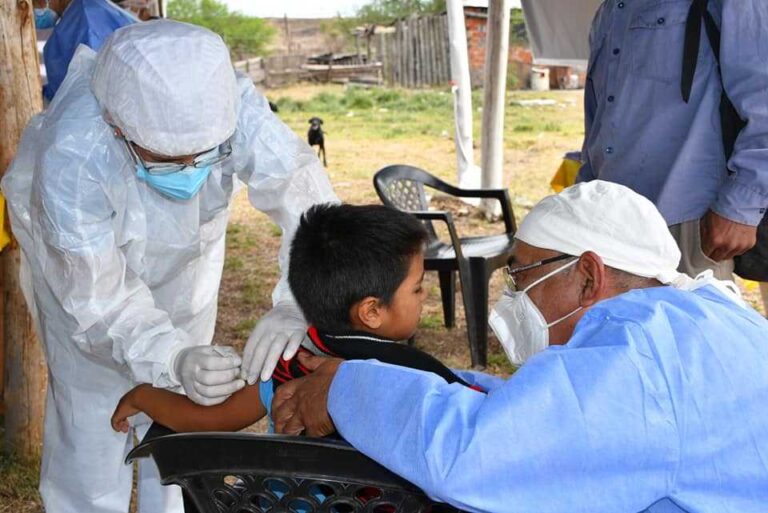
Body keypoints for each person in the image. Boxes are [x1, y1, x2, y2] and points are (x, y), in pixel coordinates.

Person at [0, 20, 337, 513]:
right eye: (169, 160)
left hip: (187, 272)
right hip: (82, 286)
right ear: (117, 127)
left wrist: (298, 301)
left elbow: (307, 198)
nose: (191, 170)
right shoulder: (72, 156)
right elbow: (98, 301)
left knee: (185, 420)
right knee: (93, 422)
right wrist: (169, 355)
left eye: (205, 154)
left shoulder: (227, 104)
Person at [271, 181, 768, 513]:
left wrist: (345, 388)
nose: (514, 295)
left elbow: (475, 459)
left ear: (588, 276)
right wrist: (461, 385)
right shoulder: (694, 318)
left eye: (522, 275)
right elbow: (550, 412)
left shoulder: (637, 357)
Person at [110, 204, 485, 434]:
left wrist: (145, 395)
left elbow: (208, 419)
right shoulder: (418, 377)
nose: (425, 297)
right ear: (371, 311)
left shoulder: (288, 367)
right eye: (418, 289)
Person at [577, 1, 768, 280]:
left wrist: (742, 204)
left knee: (688, 323)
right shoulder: (610, 11)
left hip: (685, 222)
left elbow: (762, 96)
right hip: (608, 223)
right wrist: (583, 196)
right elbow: (600, 118)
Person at [42, 0, 138, 101]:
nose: (45, 4)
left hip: (91, 106)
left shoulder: (85, 17)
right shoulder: (87, 12)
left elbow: (89, 76)